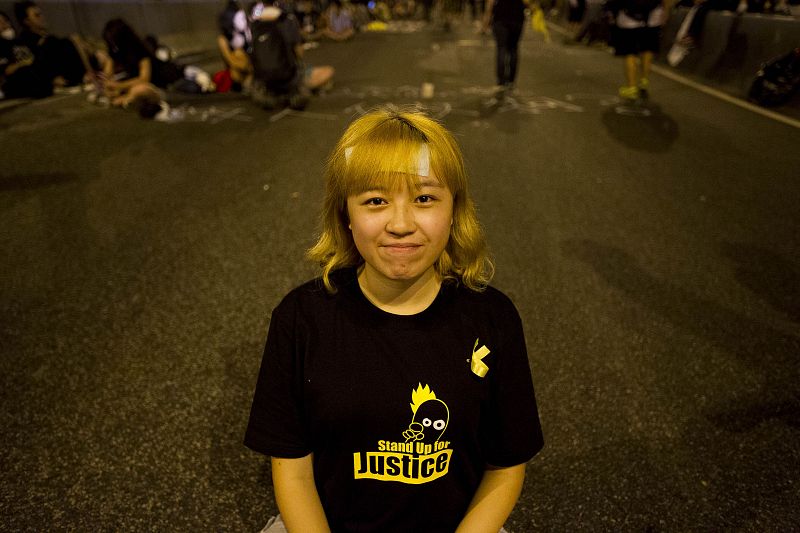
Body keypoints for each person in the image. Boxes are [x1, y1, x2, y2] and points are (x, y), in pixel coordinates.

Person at [244, 107, 544, 532]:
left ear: (454, 210)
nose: (400, 224)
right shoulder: (301, 319)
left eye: (424, 199)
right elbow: (293, 472)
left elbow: (506, 466)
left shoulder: (492, 319)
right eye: (375, 201)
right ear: (346, 216)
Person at [13, 0, 96, 89]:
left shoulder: (47, 37)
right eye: (37, 15)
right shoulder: (25, 41)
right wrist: (51, 79)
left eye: (40, 14)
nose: (42, 17)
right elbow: (34, 65)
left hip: (71, 68)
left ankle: (89, 74)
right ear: (27, 21)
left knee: (78, 42)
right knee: (66, 40)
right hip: (55, 75)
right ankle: (87, 75)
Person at [609, 0, 666, 100]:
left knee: (629, 53)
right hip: (652, 18)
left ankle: (632, 87)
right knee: (647, 49)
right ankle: (644, 80)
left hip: (628, 19)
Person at [0, 10, 52, 98]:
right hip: (17, 79)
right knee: (27, 72)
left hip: (33, 70)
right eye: (0, 22)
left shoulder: (20, 41)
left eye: (5, 20)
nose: (4, 24)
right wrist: (23, 63)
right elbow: (7, 70)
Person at [483, 0, 527, 95]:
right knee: (514, 49)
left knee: (501, 49)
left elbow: (490, 2)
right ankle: (511, 81)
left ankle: (501, 81)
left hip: (500, 17)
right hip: (517, 18)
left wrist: (486, 21)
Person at [217, 0, 253, 91]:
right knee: (238, 53)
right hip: (238, 70)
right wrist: (245, 66)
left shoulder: (245, 34)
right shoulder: (223, 39)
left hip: (247, 67)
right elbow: (229, 59)